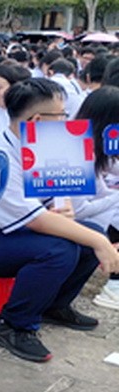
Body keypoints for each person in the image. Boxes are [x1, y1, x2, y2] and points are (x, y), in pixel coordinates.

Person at [0, 79, 119, 362]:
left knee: (88, 233)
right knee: (62, 249)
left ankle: (53, 305)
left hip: (7, 231)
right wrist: (100, 242)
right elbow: (35, 220)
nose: (65, 121)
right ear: (38, 119)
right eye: (61, 116)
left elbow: (51, 202)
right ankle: (13, 324)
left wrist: (66, 212)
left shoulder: (39, 146)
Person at [72, 87, 119, 310]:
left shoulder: (96, 148)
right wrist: (116, 198)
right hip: (77, 221)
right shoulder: (80, 152)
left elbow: (112, 171)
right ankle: (114, 284)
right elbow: (78, 210)